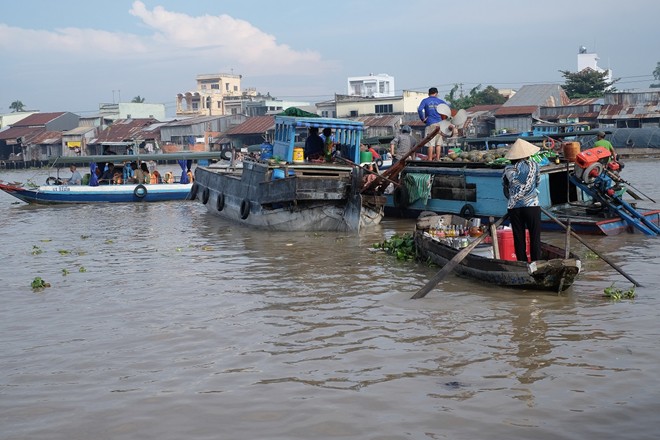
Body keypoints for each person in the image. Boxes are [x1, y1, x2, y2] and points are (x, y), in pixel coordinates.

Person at [502, 138, 542, 262]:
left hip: (514, 208)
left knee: (519, 238)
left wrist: (513, 198)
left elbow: (505, 188)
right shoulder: (535, 165)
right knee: (535, 237)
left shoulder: (507, 169)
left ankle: (522, 263)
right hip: (532, 206)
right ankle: (536, 263)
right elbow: (537, 182)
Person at [417, 87, 451, 161]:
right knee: (438, 143)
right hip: (440, 124)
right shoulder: (440, 101)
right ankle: (438, 159)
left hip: (430, 123)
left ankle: (429, 159)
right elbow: (448, 109)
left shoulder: (425, 101)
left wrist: (423, 119)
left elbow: (419, 109)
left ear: (429, 93)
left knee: (430, 143)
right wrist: (444, 119)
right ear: (436, 93)